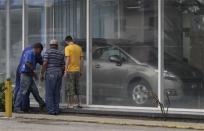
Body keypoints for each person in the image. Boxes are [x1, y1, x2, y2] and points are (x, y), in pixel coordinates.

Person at [14, 43, 45, 113]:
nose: (40, 53)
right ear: (38, 49)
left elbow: (41, 61)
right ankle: (16, 107)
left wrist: (34, 74)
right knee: (22, 91)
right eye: (40, 51)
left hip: (29, 75)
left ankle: (42, 104)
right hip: (25, 75)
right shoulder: (30, 53)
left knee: (35, 91)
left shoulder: (34, 53)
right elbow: (27, 63)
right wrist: (34, 71)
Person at [40, 40, 65, 115]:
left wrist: (42, 73)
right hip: (59, 73)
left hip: (50, 73)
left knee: (49, 92)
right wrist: (61, 74)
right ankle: (56, 110)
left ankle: (51, 110)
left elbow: (45, 63)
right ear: (57, 46)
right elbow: (63, 66)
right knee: (57, 92)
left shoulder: (48, 52)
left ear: (50, 45)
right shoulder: (61, 53)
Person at [64, 36, 83, 109]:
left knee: (70, 87)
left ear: (67, 41)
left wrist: (65, 70)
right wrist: (81, 70)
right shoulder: (79, 48)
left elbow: (68, 59)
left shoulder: (67, 48)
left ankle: (70, 104)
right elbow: (81, 60)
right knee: (77, 86)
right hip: (77, 70)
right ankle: (79, 103)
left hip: (70, 70)